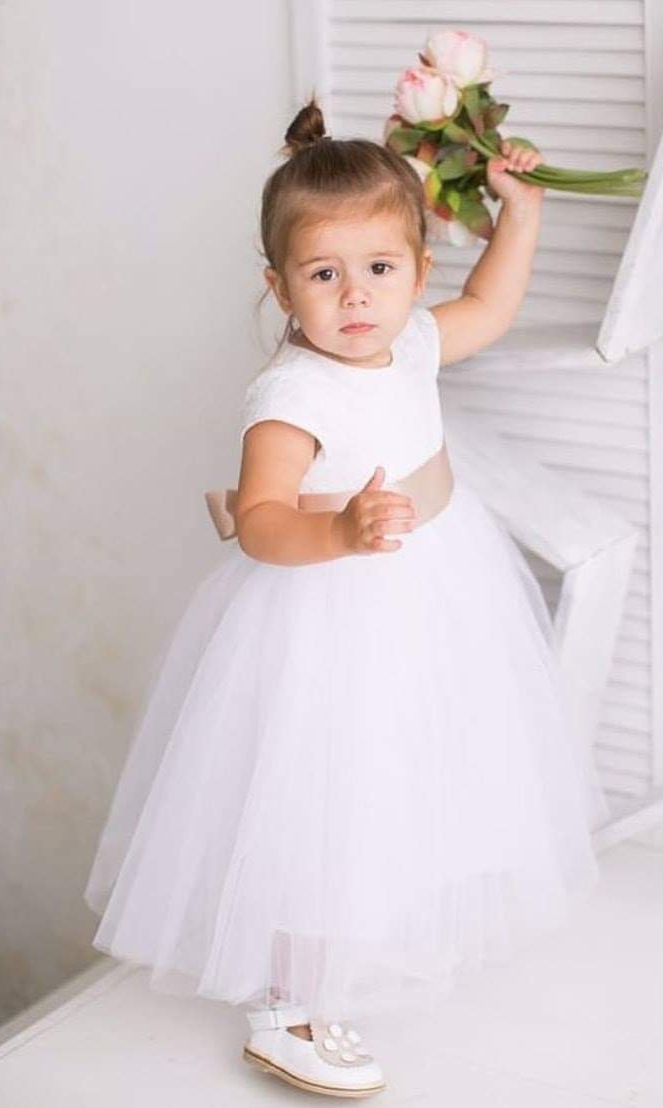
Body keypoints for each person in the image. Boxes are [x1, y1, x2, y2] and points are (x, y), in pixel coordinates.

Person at [83, 95, 611, 1099]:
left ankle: (366, 936)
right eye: (324, 274)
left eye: (380, 269)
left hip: (434, 583)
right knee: (315, 798)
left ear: (417, 268)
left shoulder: (408, 344)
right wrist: (341, 532)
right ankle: (287, 1007)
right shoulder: (292, 396)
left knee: (403, 770)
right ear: (279, 286)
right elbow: (262, 517)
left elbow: (491, 308)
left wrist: (524, 213)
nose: (357, 297)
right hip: (329, 606)